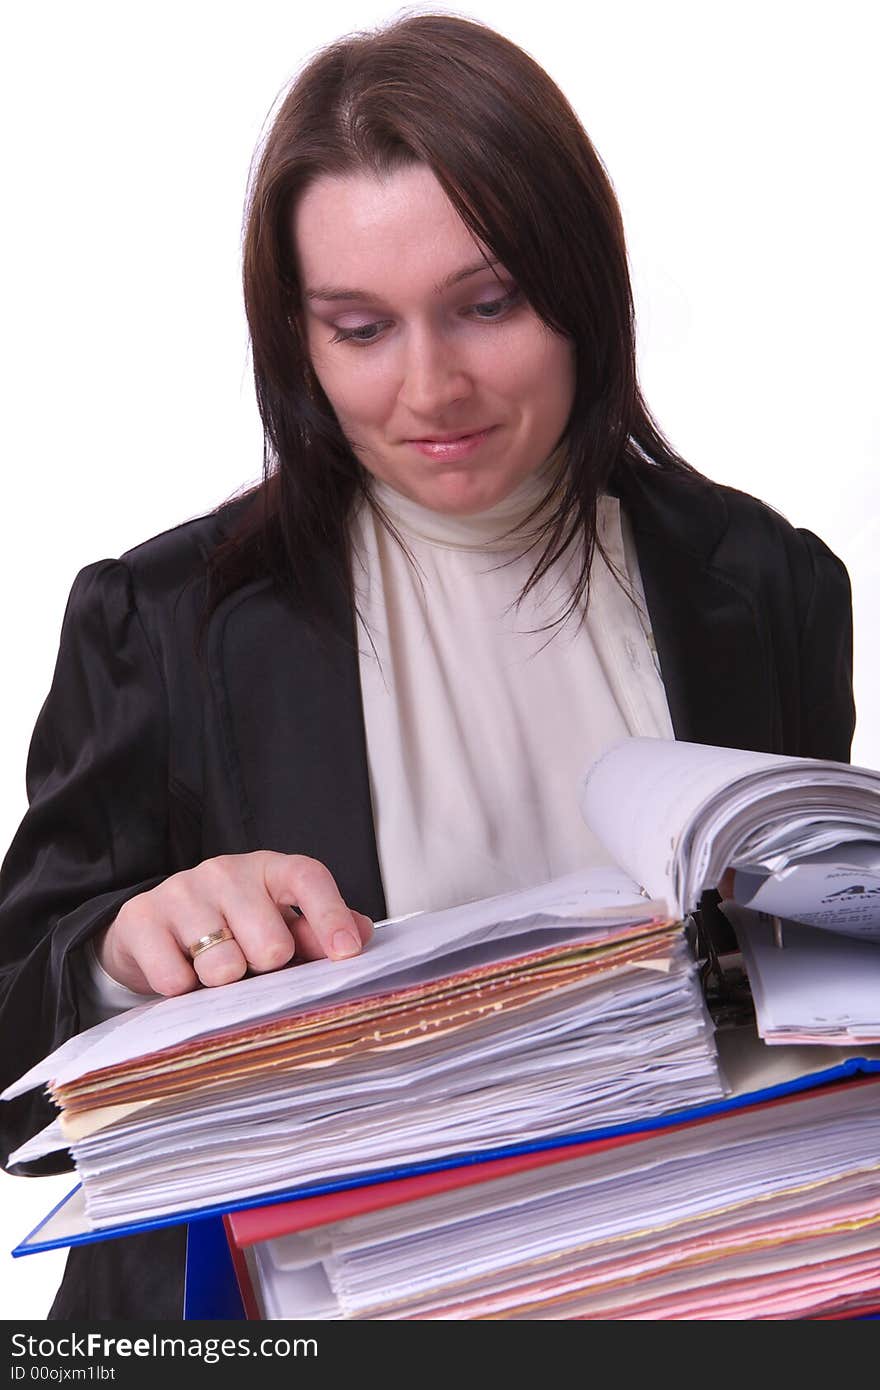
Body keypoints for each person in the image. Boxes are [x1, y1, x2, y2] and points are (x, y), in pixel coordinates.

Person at [0, 14, 854, 1321]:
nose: (430, 387)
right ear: (298, 338)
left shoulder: (767, 584)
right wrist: (123, 955)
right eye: (359, 328)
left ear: (583, 286)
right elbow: (15, 1062)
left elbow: (820, 1001)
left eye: (487, 305)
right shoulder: (158, 621)